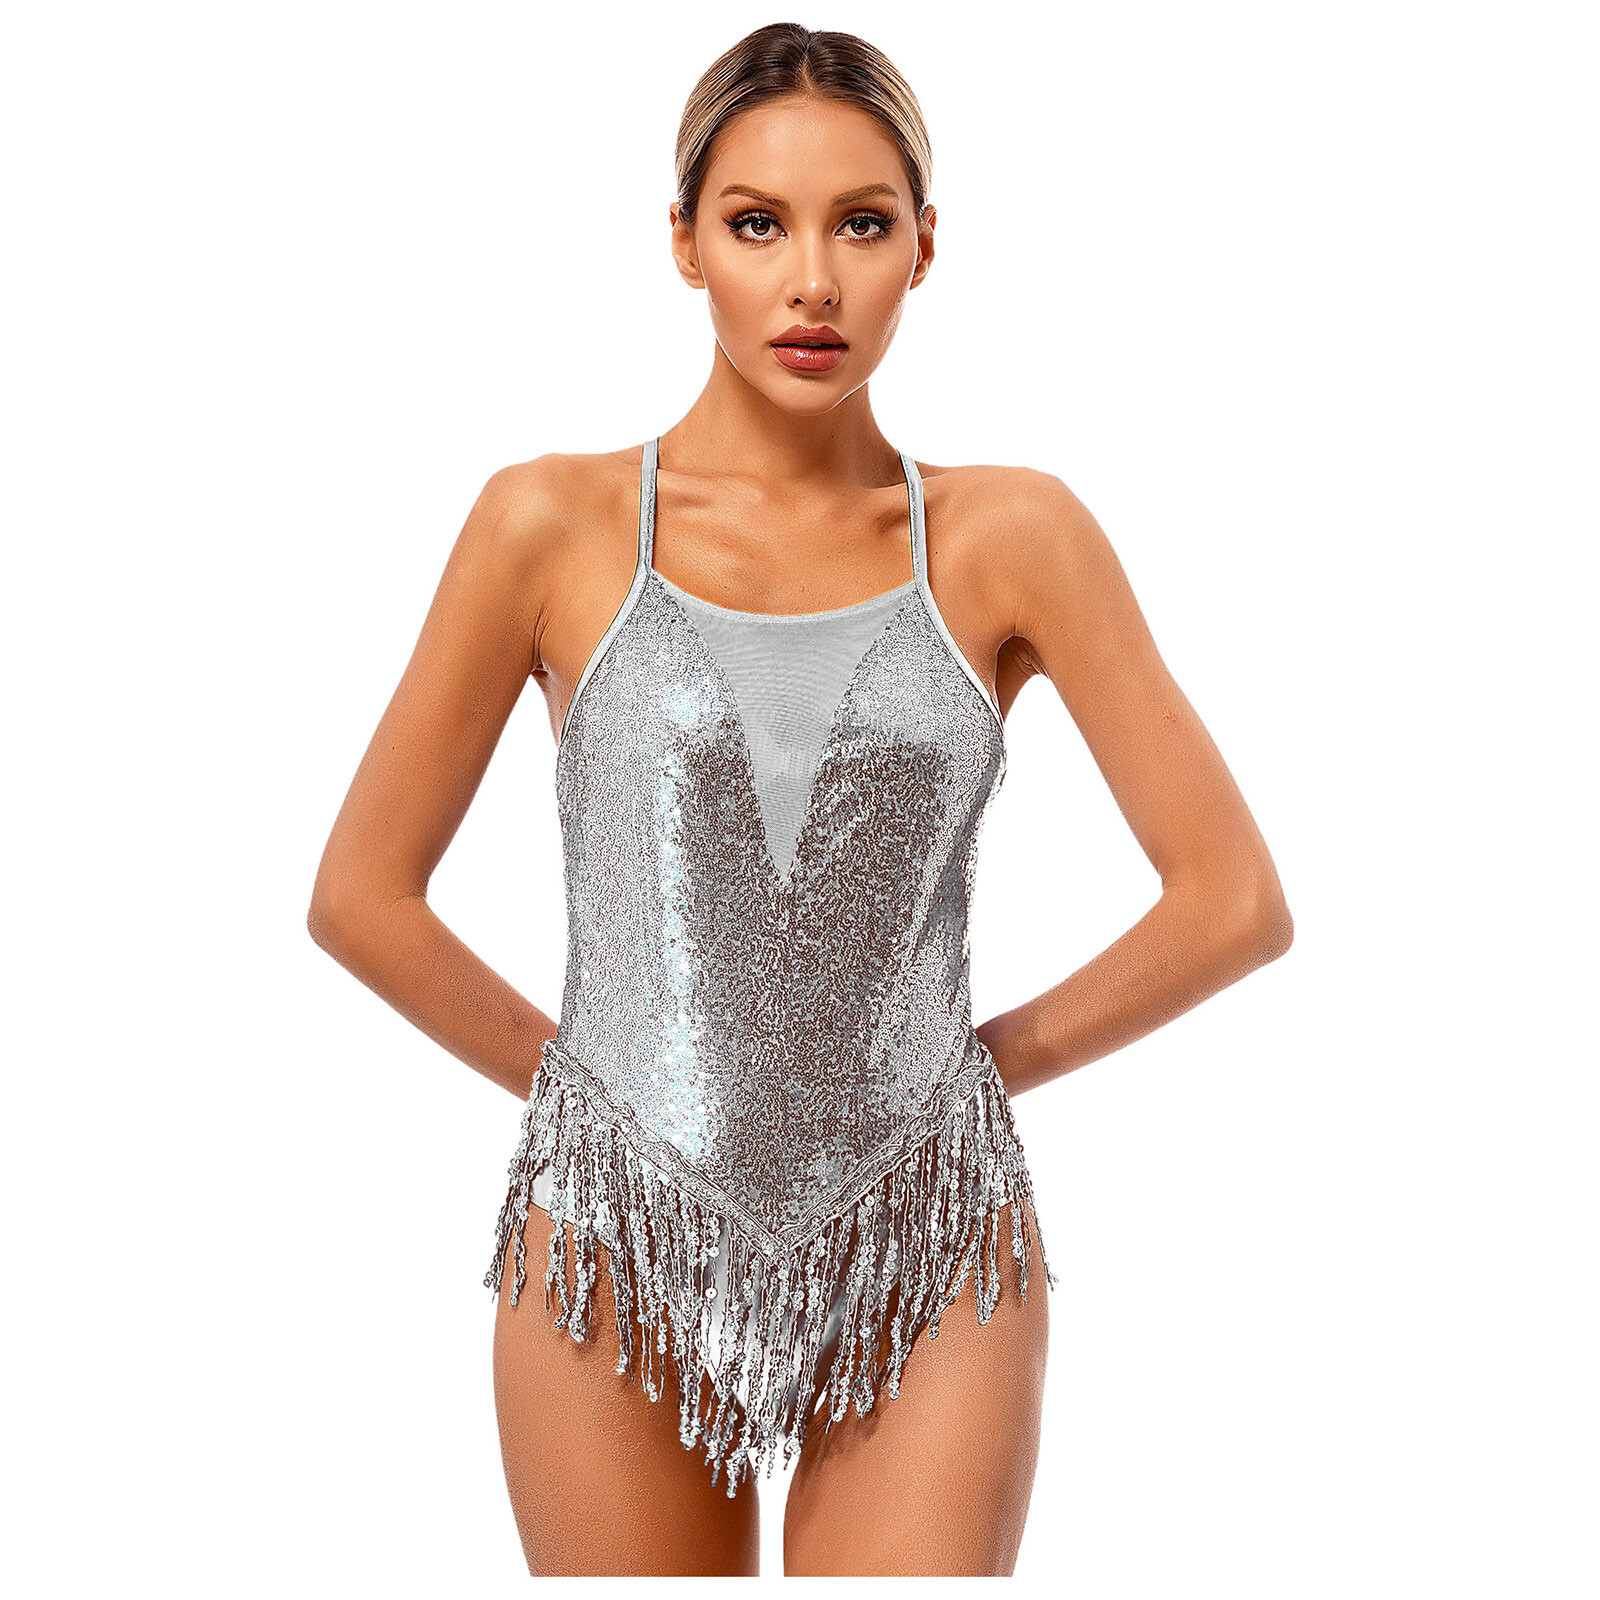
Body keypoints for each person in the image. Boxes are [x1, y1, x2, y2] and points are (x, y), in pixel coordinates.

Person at [307, 21, 1292, 1579]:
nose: (814, 282)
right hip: (613, 1234)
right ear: (685, 243)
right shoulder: (550, 524)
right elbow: (361, 897)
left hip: (928, 1237)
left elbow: (1233, 902)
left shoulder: (1012, 536)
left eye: (863, 224)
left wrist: (968, 1077)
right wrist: (597, 1104)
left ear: (926, 246)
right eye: (759, 223)